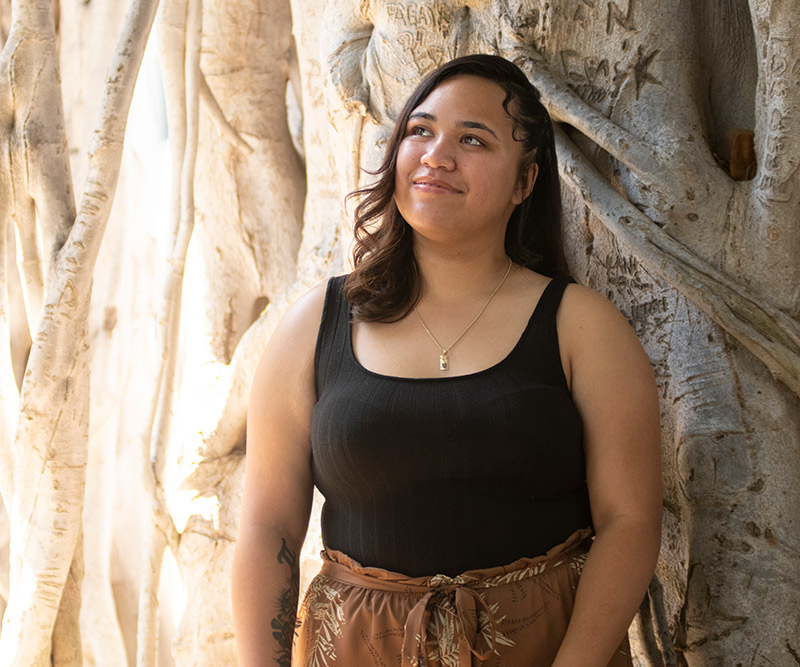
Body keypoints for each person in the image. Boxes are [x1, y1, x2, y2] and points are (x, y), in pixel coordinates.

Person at [232, 54, 662, 667]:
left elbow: (630, 520)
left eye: (473, 139)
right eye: (420, 130)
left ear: (524, 182)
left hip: (545, 649)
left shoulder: (581, 326)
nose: (437, 154)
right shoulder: (316, 325)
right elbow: (268, 528)